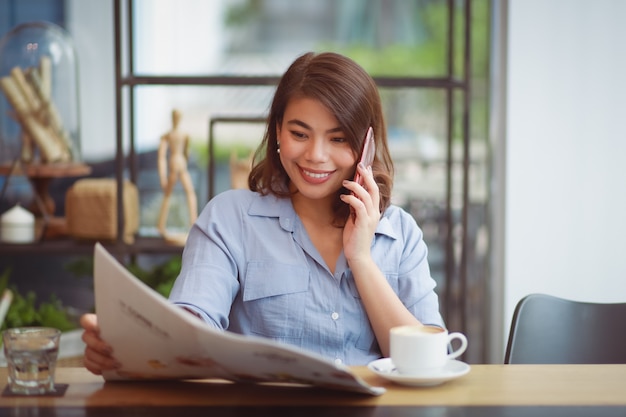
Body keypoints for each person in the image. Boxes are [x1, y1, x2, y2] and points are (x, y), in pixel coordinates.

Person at [81, 51, 443, 375]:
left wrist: (361, 258)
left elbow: (429, 359)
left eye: (338, 139)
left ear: (367, 145)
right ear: (277, 133)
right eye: (300, 134)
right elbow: (191, 324)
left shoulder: (401, 234)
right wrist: (129, 345)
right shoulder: (230, 219)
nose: (316, 155)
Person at [157, 108, 198, 244]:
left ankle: (193, 223)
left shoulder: (182, 135)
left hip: (179, 163)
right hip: (177, 163)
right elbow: (161, 157)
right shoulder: (169, 135)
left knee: (189, 192)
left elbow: (186, 152)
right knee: (169, 194)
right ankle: (161, 225)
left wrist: (163, 175)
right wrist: (162, 176)